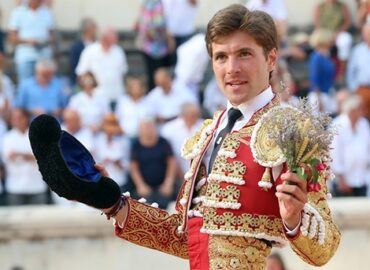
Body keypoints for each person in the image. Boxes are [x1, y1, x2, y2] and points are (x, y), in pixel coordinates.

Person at [29, 4, 340, 269]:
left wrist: (294, 219)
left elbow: (326, 246)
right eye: (221, 57)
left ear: (271, 58)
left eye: (244, 54)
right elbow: (183, 237)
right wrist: (111, 202)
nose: (231, 68)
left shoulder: (293, 132)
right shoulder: (211, 129)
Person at [2, 109, 48, 205]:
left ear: (26, 118)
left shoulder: (37, 135)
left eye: (19, 118)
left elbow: (42, 157)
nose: (16, 120)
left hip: (37, 187)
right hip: (15, 187)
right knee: (15, 219)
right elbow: (7, 157)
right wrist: (29, 156)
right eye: (13, 118)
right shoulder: (7, 137)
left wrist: (20, 155)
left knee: (39, 219)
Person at [75, 27, 128, 107]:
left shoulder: (118, 51)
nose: (117, 38)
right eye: (114, 36)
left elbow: (123, 72)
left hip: (116, 96)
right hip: (97, 98)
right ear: (105, 37)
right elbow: (81, 73)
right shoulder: (90, 51)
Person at [130, 119, 176, 209]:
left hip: (163, 186)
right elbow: (134, 167)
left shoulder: (163, 142)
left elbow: (172, 163)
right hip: (145, 187)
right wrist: (140, 185)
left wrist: (168, 183)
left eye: (150, 127)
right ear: (140, 131)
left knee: (165, 206)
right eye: (145, 128)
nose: (148, 130)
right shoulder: (136, 145)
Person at [331, 94, 370, 197]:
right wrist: (341, 179)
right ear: (352, 110)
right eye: (360, 108)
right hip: (343, 182)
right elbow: (334, 154)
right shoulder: (337, 125)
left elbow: (367, 148)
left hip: (361, 179)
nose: (363, 111)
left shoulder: (364, 124)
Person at [8, 0, 55, 83]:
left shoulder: (47, 12)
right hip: (25, 56)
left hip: (44, 56)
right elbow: (12, 37)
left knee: (44, 84)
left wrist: (44, 42)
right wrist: (28, 42)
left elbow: (52, 35)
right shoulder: (18, 12)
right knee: (25, 84)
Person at [346, 23, 370, 120]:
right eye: (367, 33)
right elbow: (351, 72)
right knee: (363, 118)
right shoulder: (357, 50)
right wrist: (354, 88)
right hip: (362, 89)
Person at [69, 18, 97, 87]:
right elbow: (73, 66)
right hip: (81, 81)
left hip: (97, 80)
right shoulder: (76, 47)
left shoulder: (98, 45)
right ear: (86, 30)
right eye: (93, 27)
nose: (95, 30)